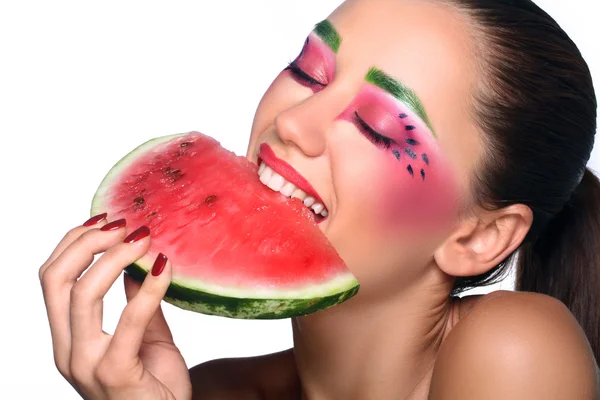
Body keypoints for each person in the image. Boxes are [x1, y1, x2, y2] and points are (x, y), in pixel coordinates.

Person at [39, 0, 600, 398]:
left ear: (478, 236)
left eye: (379, 126)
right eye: (309, 72)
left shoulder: (516, 348)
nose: (292, 122)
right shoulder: (201, 390)